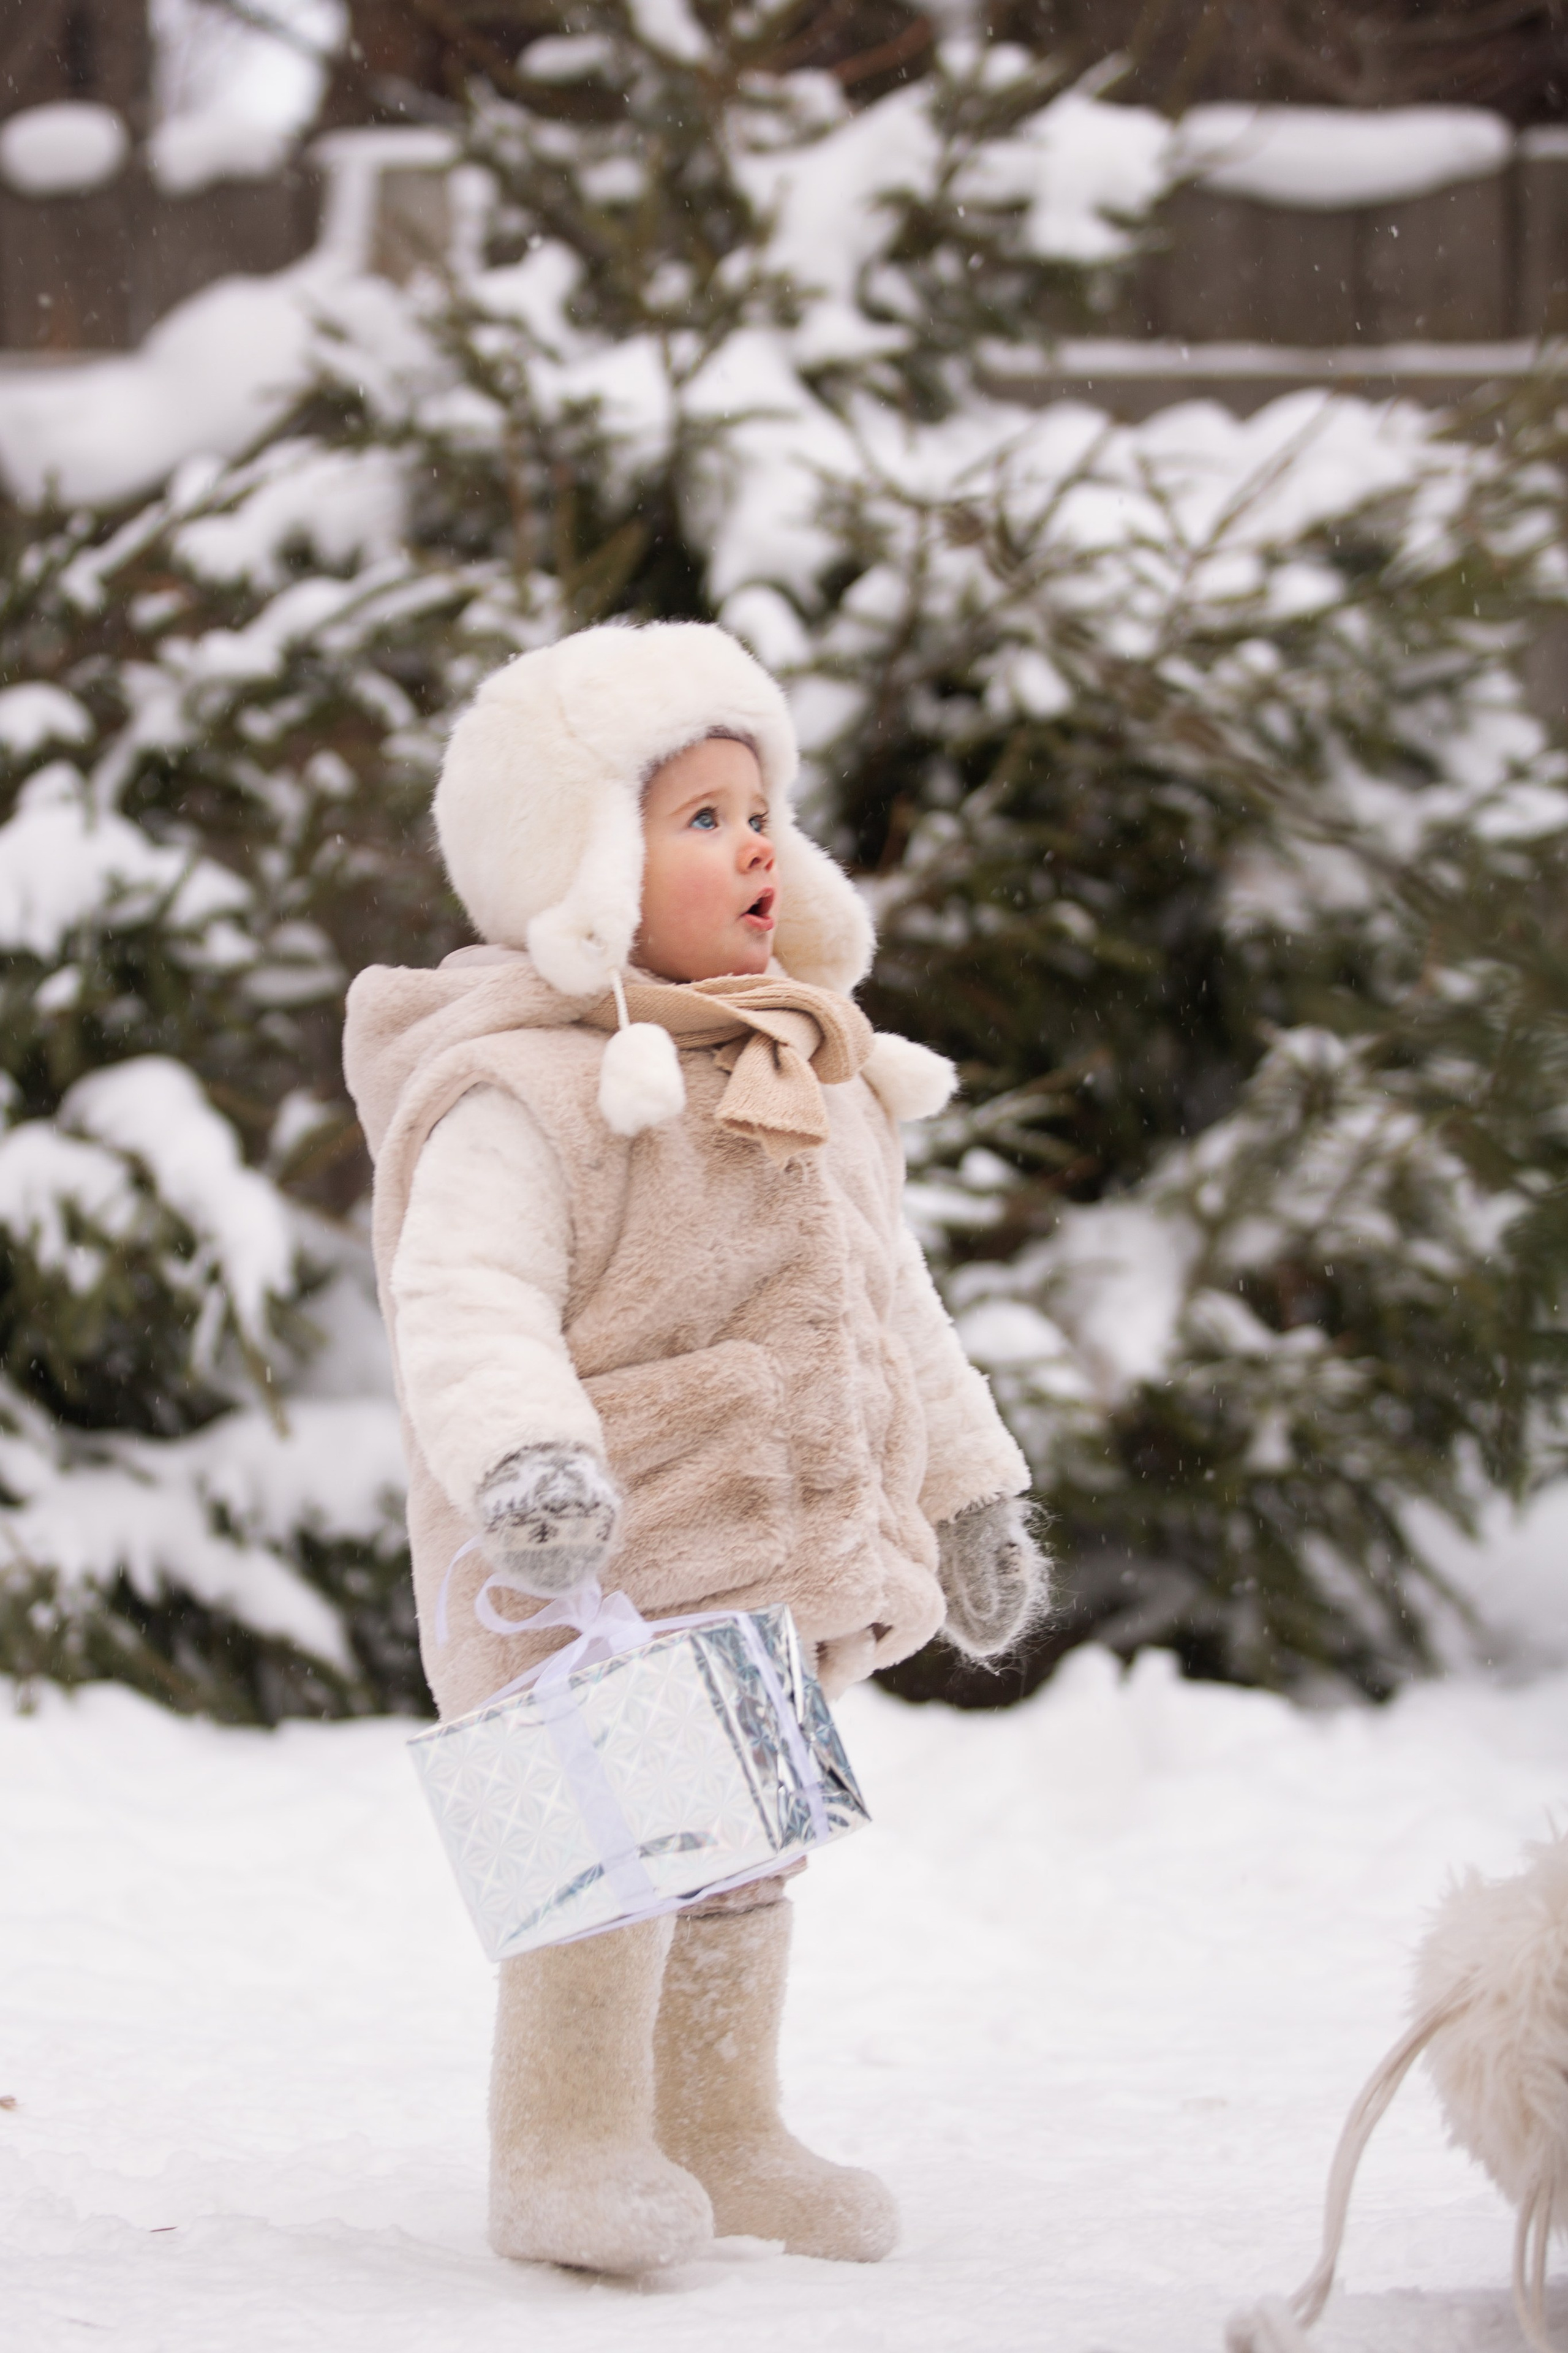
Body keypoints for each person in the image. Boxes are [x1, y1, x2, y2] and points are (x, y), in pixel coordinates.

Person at [343, 619, 1045, 2277]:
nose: (753, 844)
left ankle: (722, 2129)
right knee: (612, 1853)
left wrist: (970, 1484)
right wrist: (526, 1462)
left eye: (760, 810)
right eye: (699, 816)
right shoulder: (523, 1088)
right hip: (596, 1566)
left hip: (770, 1561)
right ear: (584, 855)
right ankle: (568, 2144)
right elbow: (466, 1298)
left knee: (742, 1851)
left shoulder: (809, 1062)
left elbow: (896, 1308)